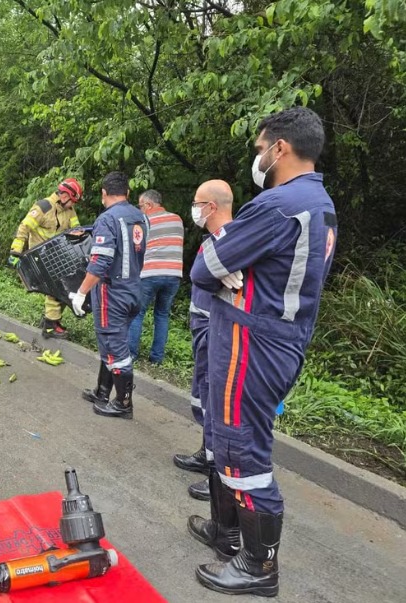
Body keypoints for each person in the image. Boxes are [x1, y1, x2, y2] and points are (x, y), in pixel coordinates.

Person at [188, 107, 337, 597]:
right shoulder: (319, 203)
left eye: (259, 148)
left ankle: (258, 565)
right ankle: (228, 533)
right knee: (226, 435)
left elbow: (207, 266)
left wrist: (225, 271)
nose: (257, 158)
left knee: (241, 447)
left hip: (253, 342)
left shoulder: (278, 204)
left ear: (280, 148)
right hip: (277, 337)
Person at [173, 180, 234, 502]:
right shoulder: (214, 239)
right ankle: (207, 452)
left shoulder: (233, 240)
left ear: (211, 207)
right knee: (203, 393)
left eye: (197, 203)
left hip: (217, 328)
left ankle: (217, 473)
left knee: (214, 396)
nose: (193, 209)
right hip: (203, 325)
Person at [70, 172, 148, 419]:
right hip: (134, 289)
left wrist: (81, 292)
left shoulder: (107, 219)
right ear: (128, 193)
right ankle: (102, 391)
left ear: (104, 193)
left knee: (114, 346)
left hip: (111, 293)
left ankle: (123, 404)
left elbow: (100, 261)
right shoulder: (140, 217)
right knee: (112, 342)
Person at [8, 177, 83, 339]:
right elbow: (24, 228)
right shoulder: (43, 207)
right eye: (72, 201)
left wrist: (78, 234)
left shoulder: (69, 211)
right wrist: (15, 251)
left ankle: (51, 321)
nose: (73, 205)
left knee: (63, 288)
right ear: (64, 197)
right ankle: (50, 326)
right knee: (56, 289)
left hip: (57, 255)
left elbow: (77, 228)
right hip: (39, 256)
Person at [127, 190, 184, 364]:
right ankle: (156, 358)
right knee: (162, 314)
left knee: (137, 313)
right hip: (174, 274)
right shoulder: (177, 219)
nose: (140, 209)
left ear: (149, 205)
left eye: (141, 205)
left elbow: (136, 247)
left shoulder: (144, 221)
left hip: (150, 273)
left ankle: (131, 355)